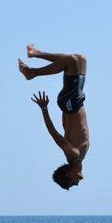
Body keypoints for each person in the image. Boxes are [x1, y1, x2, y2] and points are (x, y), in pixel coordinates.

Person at [18, 44, 89, 190]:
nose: (77, 183)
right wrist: (68, 111)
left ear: (69, 175)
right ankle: (35, 56)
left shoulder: (73, 155)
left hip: (71, 104)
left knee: (72, 61)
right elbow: (66, 127)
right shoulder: (80, 157)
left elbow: (54, 133)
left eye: (73, 183)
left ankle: (32, 71)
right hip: (74, 102)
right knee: (80, 59)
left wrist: (45, 109)